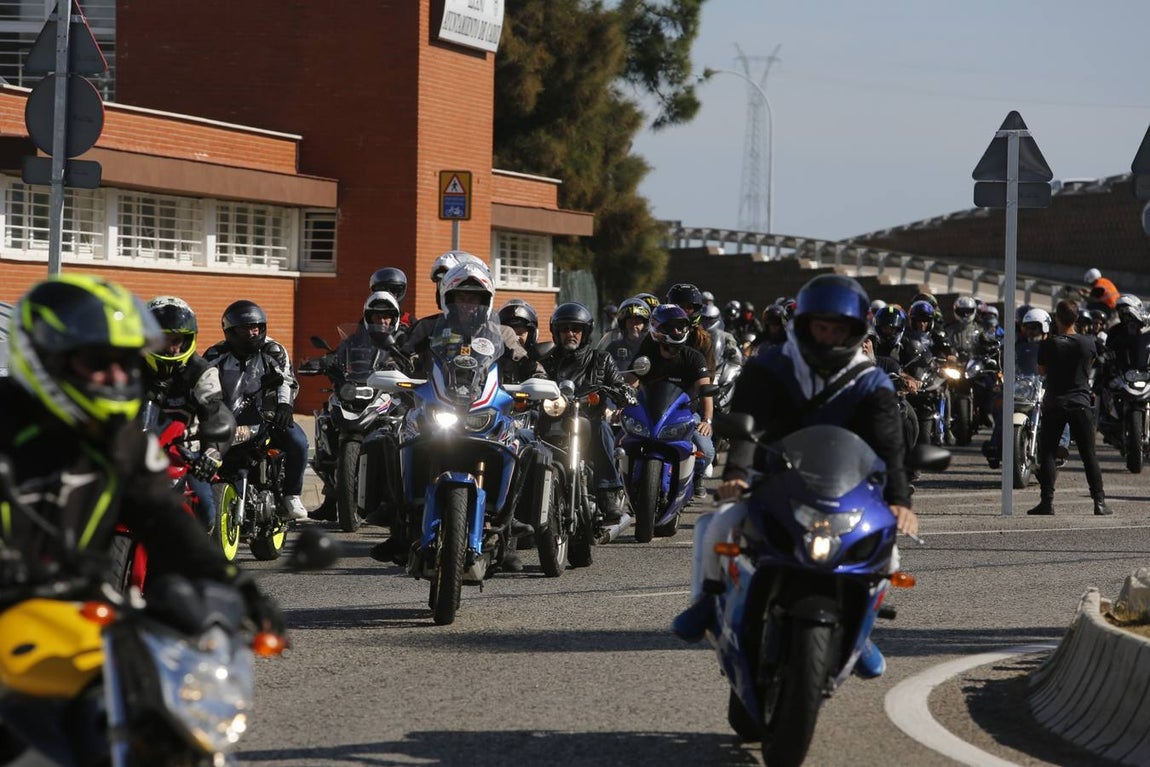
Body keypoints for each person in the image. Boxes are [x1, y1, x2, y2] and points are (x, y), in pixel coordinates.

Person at [0, 274, 283, 637]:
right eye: (100, 360)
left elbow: (165, 518)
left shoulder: (116, 440)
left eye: (125, 361)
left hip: (70, 622)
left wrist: (237, 587)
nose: (117, 376)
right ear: (45, 357)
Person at [671, 274, 917, 680]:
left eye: (839, 329)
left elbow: (890, 446)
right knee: (719, 523)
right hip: (776, 475)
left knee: (887, 550)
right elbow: (749, 425)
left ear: (856, 332)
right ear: (804, 325)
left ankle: (862, 631)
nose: (828, 337)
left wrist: (900, 500)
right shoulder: (772, 364)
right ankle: (709, 601)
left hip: (849, 485)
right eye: (821, 327)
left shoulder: (871, 380)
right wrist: (736, 475)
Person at [204, 299, 310, 520]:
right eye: (245, 329)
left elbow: (286, 380)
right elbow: (200, 382)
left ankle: (291, 495)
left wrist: (284, 406)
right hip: (227, 418)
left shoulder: (273, 350)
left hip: (268, 416)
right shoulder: (215, 355)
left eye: (256, 328)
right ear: (230, 331)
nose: (252, 333)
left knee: (299, 441)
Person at [307, 290, 408, 521]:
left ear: (394, 318)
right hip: (356, 391)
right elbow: (340, 356)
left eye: (387, 316)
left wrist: (408, 366)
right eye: (377, 316)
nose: (382, 321)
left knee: (401, 428)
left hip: (390, 395)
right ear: (368, 317)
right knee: (327, 421)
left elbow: (413, 361)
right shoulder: (355, 339)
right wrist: (324, 363)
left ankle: (393, 499)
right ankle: (332, 498)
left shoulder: (402, 340)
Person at [142, 295, 236, 532]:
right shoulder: (130, 367)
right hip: (133, 449)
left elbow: (215, 412)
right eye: (164, 339)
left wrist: (212, 452)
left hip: (184, 454)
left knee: (205, 508)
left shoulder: (201, 372)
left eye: (177, 340)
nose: (172, 347)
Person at [540, 303, 637, 521]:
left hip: (588, 421)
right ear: (556, 332)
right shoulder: (547, 361)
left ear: (585, 332)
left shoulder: (600, 360)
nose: (570, 334)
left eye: (576, 329)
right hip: (553, 421)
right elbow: (534, 381)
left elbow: (617, 383)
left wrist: (624, 392)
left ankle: (608, 492)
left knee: (602, 428)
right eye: (565, 329)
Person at [1027, 300, 1109, 517]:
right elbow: (1090, 363)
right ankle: (1099, 501)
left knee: (1048, 453)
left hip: (1055, 401)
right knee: (1089, 454)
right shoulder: (1087, 342)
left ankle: (1047, 502)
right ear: (1076, 319)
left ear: (1057, 319)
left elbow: (1041, 370)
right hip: (1080, 402)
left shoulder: (1049, 344)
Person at [631, 305, 715, 499]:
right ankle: (617, 487)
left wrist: (707, 420)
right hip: (648, 412)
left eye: (680, 327)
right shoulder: (648, 352)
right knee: (620, 444)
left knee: (705, 450)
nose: (677, 331)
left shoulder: (694, 357)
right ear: (657, 329)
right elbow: (631, 381)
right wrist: (620, 406)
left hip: (685, 415)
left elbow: (705, 390)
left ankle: (695, 478)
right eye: (671, 327)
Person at [601, 297, 651, 371]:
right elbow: (601, 366)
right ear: (624, 324)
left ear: (644, 325)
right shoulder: (614, 346)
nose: (634, 326)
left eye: (637, 322)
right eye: (630, 322)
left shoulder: (650, 347)